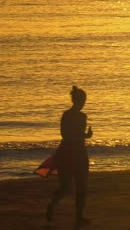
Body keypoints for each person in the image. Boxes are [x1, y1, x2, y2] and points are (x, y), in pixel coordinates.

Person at [46, 85, 93, 228]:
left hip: (80, 153)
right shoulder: (67, 115)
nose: (83, 102)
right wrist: (81, 135)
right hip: (67, 153)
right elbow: (65, 134)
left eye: (84, 100)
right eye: (82, 100)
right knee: (66, 187)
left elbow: (78, 134)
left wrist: (87, 135)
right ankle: (52, 205)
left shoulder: (83, 116)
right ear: (76, 100)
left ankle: (79, 217)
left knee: (82, 187)